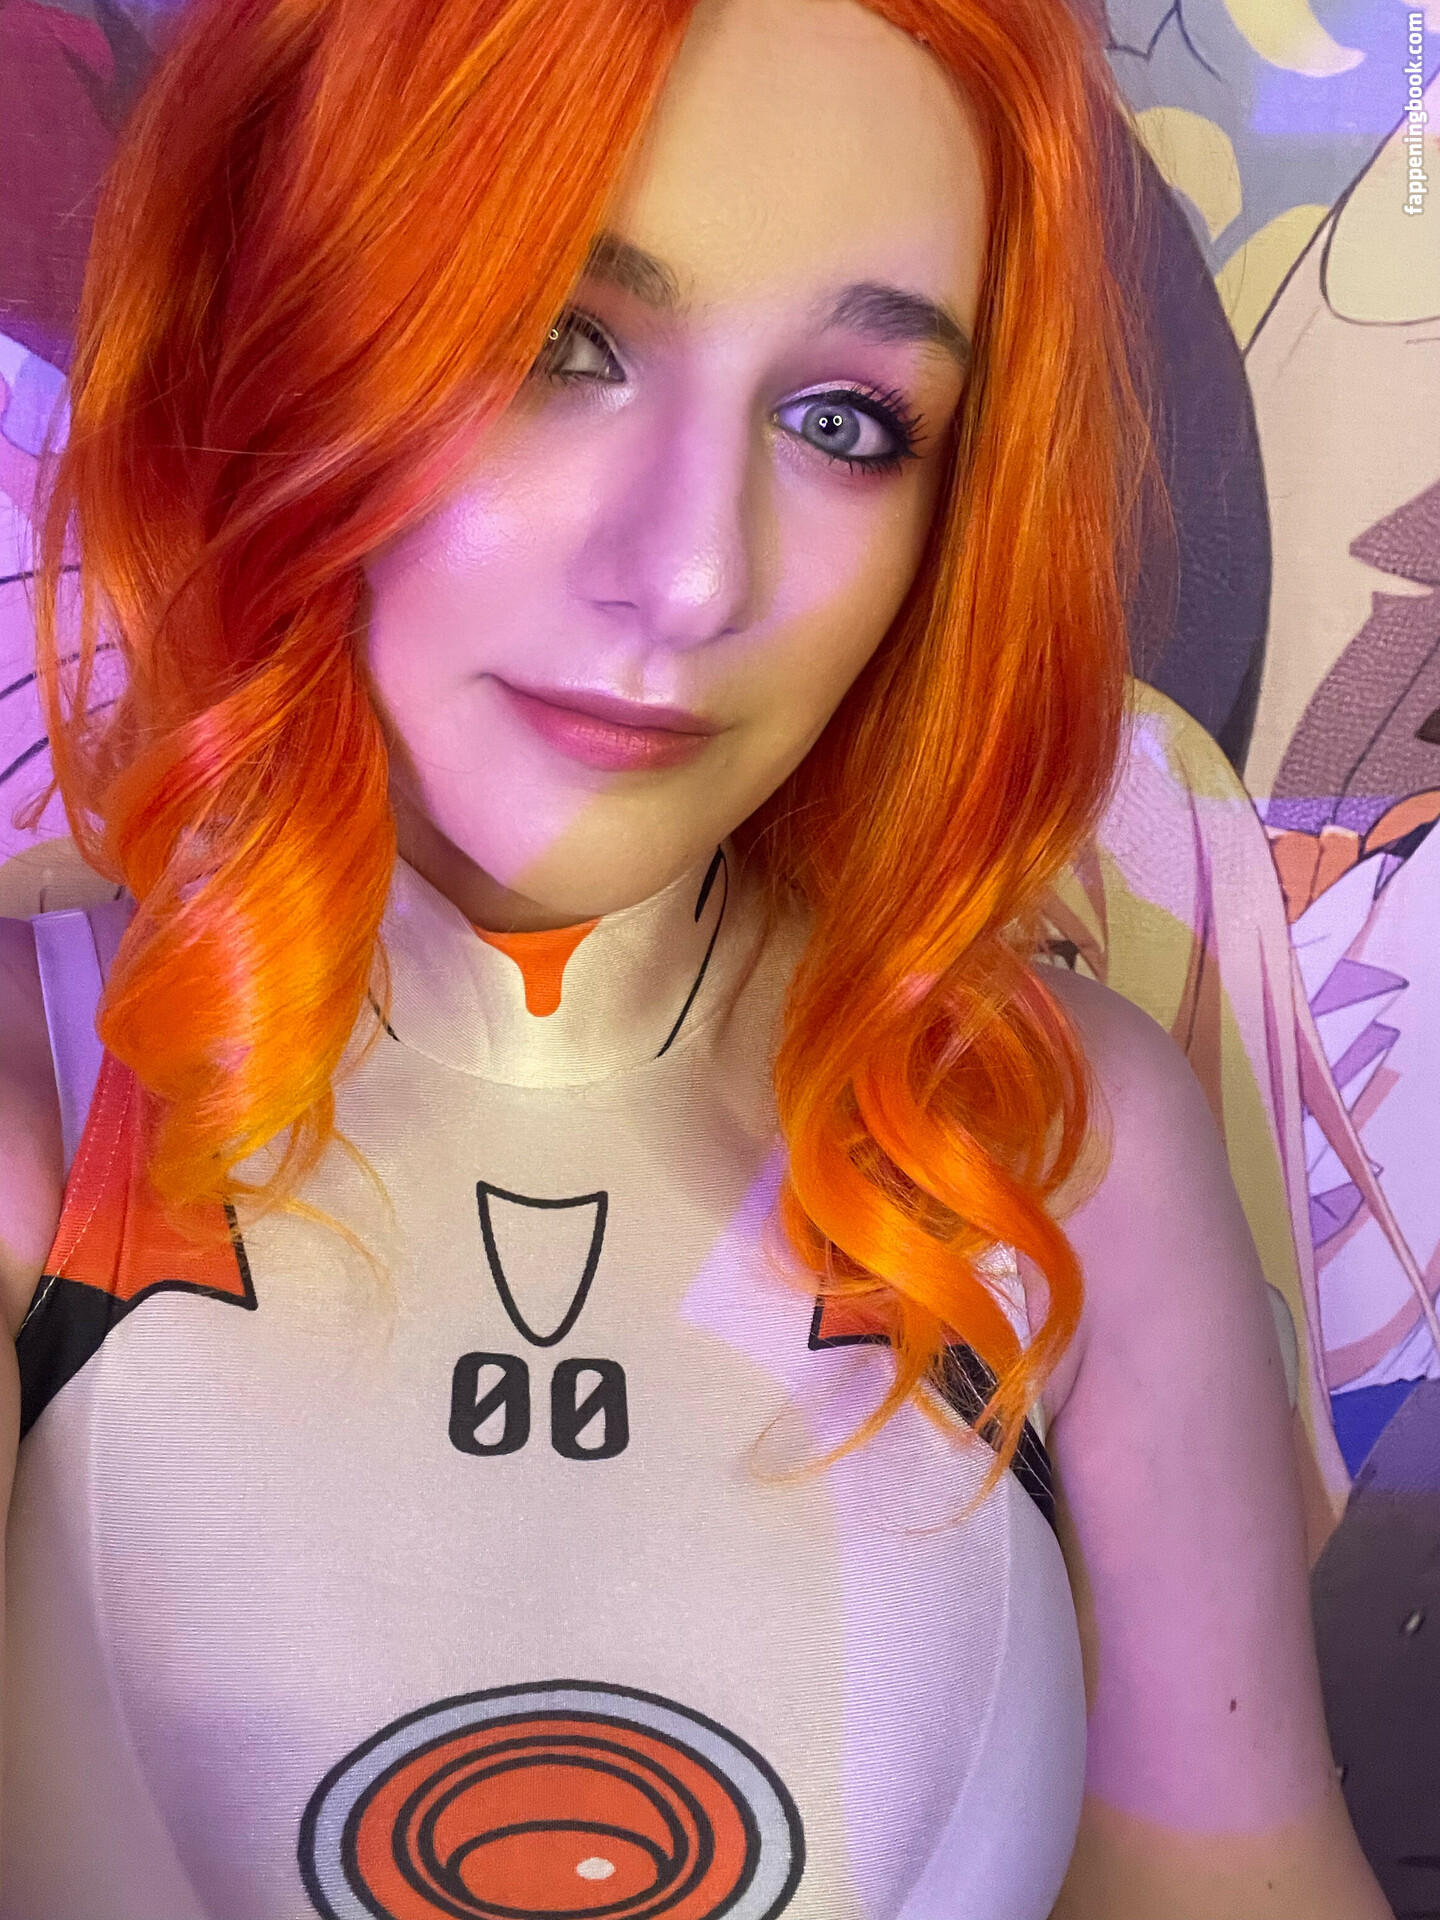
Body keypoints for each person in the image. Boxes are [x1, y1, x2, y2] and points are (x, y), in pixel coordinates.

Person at [0, 0, 1394, 1914]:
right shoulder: (32, 1120)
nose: (693, 577)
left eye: (844, 423)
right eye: (550, 342)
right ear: (286, 325)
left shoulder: (1062, 1142)